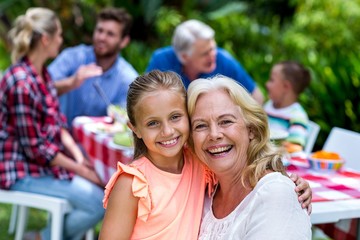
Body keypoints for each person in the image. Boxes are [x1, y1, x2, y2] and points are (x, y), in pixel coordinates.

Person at [99, 70, 311, 239]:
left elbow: (257, 177)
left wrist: (291, 184)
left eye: (175, 117)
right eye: (153, 123)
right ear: (134, 128)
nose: (167, 131)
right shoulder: (132, 183)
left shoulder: (198, 163)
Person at [0, 8, 104, 240]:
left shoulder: (41, 74)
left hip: (40, 165)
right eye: (58, 34)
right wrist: (81, 170)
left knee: (99, 191)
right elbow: (36, 148)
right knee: (99, 202)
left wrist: (80, 159)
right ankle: (43, 237)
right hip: (20, 171)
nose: (61, 40)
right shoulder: (21, 84)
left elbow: (57, 123)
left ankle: (46, 236)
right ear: (45, 40)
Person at [187, 75, 312, 239]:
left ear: (251, 129)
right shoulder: (202, 190)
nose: (214, 134)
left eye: (226, 121)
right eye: (201, 125)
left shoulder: (274, 194)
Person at [48, 7, 138, 127]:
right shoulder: (73, 57)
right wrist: (71, 83)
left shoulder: (128, 78)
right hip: (60, 137)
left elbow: (125, 123)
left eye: (110, 34)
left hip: (98, 143)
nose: (102, 37)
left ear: (124, 41)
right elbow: (40, 89)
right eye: (99, 30)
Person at [146, 19, 264, 104]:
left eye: (212, 48)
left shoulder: (222, 58)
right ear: (185, 56)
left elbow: (257, 96)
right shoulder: (161, 61)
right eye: (205, 53)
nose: (212, 55)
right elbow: (144, 98)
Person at [264, 61, 311, 152]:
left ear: (286, 86)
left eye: (271, 80)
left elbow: (295, 147)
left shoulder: (297, 116)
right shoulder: (268, 106)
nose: (267, 84)